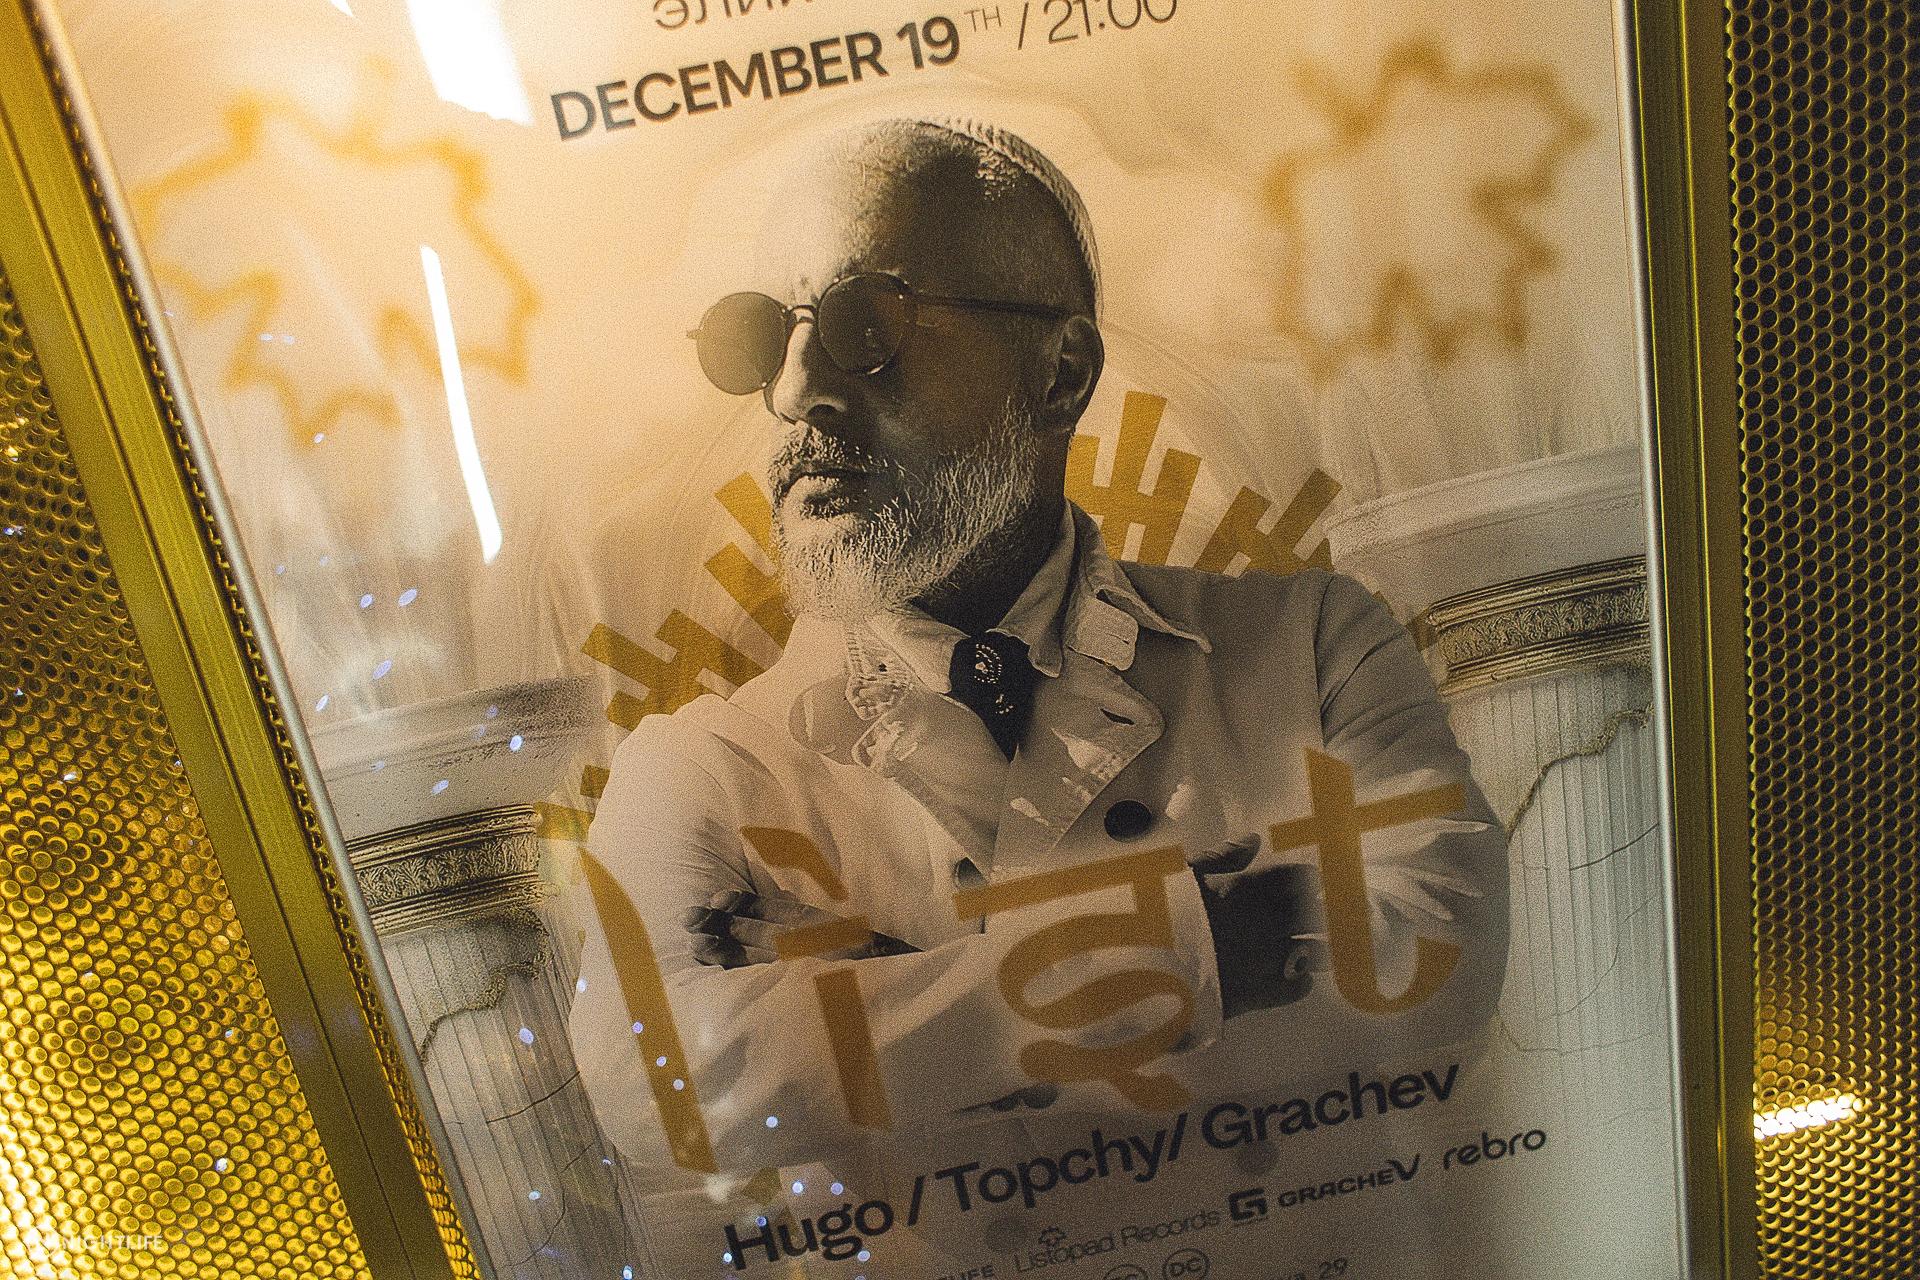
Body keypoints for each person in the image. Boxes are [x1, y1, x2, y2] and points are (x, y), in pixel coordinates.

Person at [567, 117, 1508, 1266]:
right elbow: (656, 1081)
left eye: (868, 326)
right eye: (762, 336)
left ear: (1060, 373)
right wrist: (1207, 943)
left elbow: (1441, 949)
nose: (795, 394)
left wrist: (873, 1005)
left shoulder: (1314, 644)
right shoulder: (696, 767)